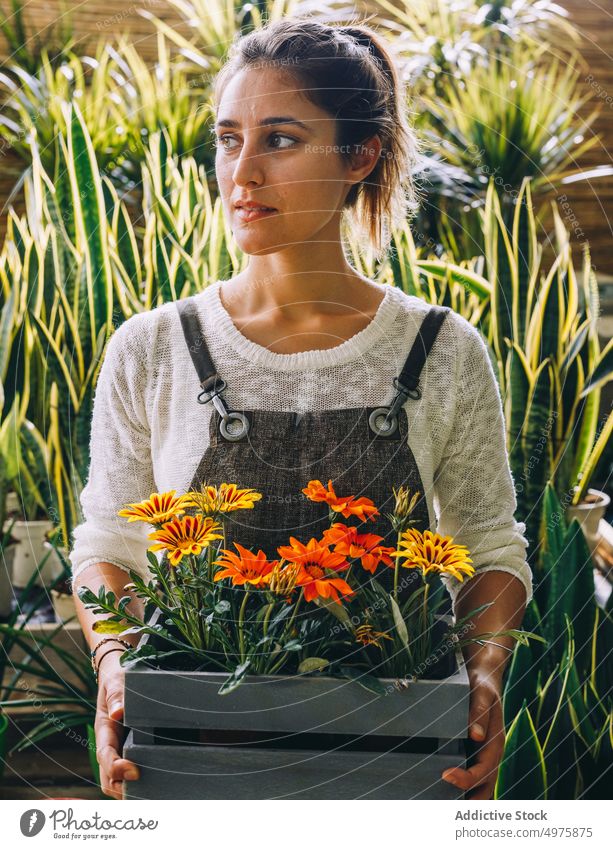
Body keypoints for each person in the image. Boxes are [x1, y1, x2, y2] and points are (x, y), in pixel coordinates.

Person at [70, 16, 532, 801]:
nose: (241, 171)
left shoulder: (443, 350)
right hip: (196, 754)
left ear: (359, 155)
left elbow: (488, 545)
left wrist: (482, 675)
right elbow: (110, 538)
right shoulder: (152, 348)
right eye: (226, 139)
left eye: (279, 139)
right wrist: (117, 671)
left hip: (401, 754)